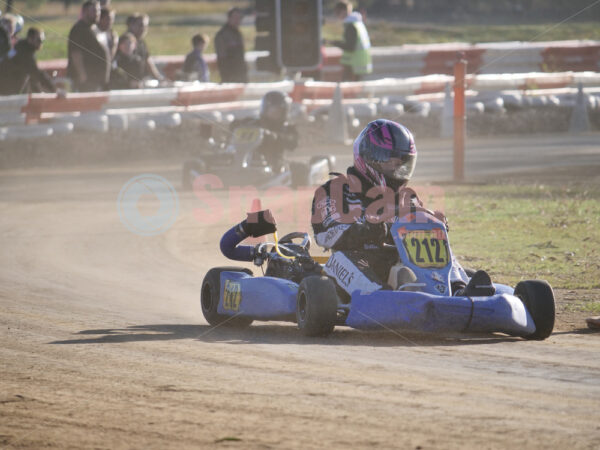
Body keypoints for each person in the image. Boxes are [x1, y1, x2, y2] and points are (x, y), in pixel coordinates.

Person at [311, 119, 484, 296]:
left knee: (437, 242)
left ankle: (458, 289)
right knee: (340, 259)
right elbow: (325, 235)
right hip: (358, 262)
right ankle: (380, 297)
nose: (397, 169)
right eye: (390, 163)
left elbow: (419, 229)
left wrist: (434, 224)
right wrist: (368, 229)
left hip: (402, 262)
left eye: (401, 164)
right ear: (371, 159)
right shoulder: (334, 190)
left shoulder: (406, 196)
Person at [230, 91, 298, 169]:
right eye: (272, 110)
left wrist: (272, 136)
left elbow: (292, 143)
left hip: (273, 162)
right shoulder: (253, 123)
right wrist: (236, 126)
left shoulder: (287, 128)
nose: (275, 113)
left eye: (278, 111)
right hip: (247, 158)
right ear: (265, 109)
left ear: (284, 111)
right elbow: (234, 126)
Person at [67, 0, 111, 91]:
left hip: (97, 80)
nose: (98, 13)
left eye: (99, 10)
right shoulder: (79, 29)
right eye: (94, 11)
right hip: (87, 81)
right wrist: (82, 75)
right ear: (85, 12)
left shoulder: (94, 28)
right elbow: (76, 54)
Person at [0, 27, 56, 95]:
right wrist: (54, 89)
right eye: (39, 40)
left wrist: (38, 91)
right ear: (30, 39)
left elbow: (31, 75)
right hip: (6, 87)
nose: (41, 43)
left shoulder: (20, 48)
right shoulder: (25, 53)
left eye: (42, 41)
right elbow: (36, 73)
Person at [331, 1, 372, 81]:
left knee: (349, 89)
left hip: (353, 64)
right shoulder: (357, 23)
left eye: (337, 13)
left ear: (343, 11)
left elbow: (350, 47)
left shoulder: (351, 26)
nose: (337, 16)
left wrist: (333, 42)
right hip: (359, 63)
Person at [126, 13, 163, 81]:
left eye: (146, 26)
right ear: (131, 25)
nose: (144, 29)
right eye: (140, 25)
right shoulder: (126, 42)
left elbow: (148, 63)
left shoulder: (141, 43)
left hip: (142, 81)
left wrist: (160, 78)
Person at [214, 7, 247, 83]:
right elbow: (222, 58)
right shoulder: (222, 35)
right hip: (229, 77)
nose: (237, 20)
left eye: (239, 18)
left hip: (241, 76)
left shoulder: (238, 34)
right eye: (235, 17)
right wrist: (227, 78)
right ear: (229, 18)